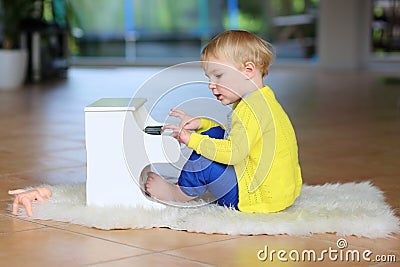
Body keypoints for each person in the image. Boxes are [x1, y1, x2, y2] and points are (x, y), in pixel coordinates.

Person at [146, 30, 302, 213]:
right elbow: (233, 137)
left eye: (218, 76)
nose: (211, 84)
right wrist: (201, 124)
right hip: (277, 191)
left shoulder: (252, 110)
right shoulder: (261, 100)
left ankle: (177, 193)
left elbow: (234, 152)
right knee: (212, 136)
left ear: (248, 71)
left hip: (253, 197)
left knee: (206, 159)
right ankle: (188, 181)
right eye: (209, 78)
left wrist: (192, 141)